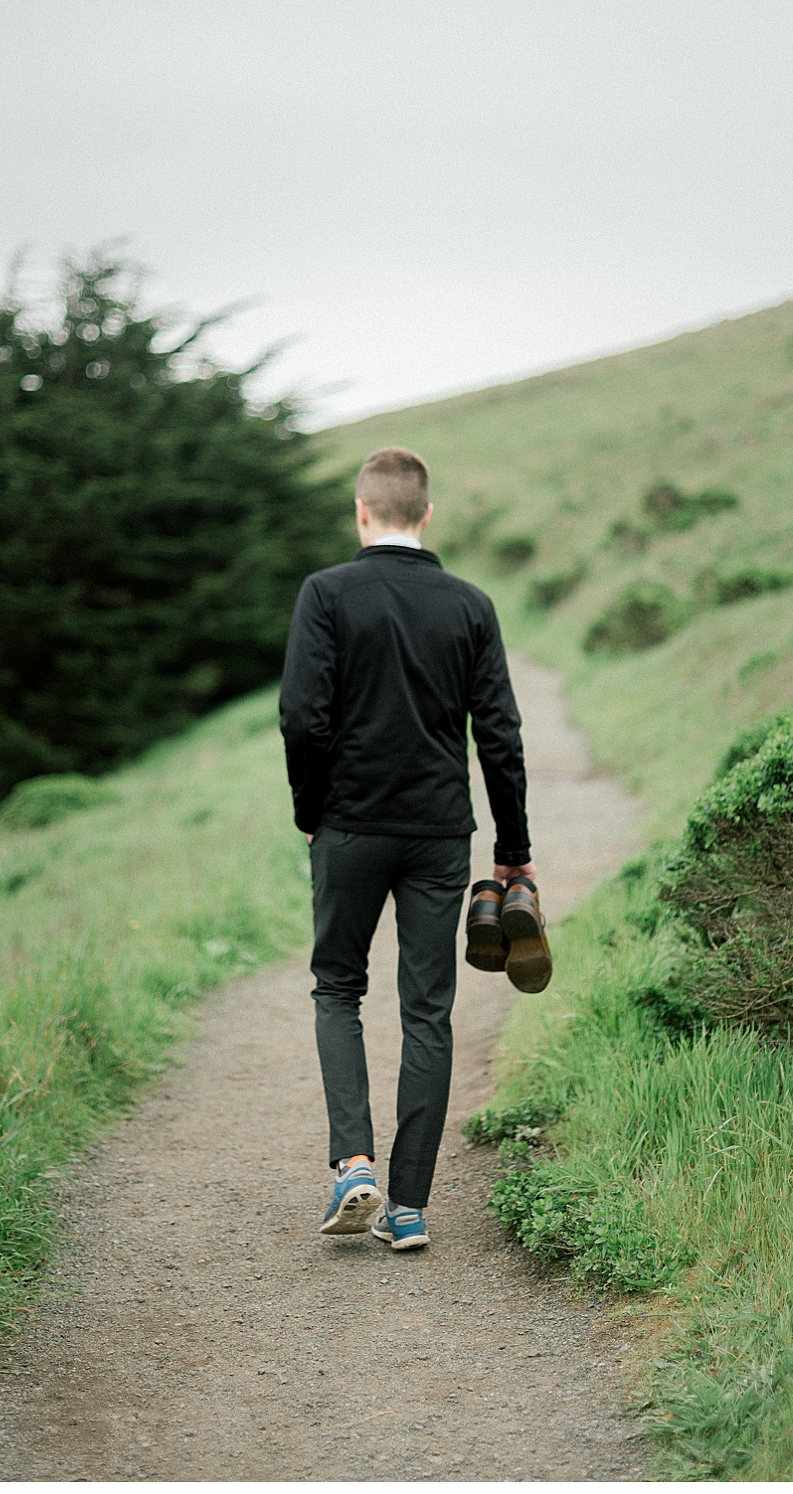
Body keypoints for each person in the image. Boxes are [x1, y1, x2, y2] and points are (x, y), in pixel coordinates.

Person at [279, 445, 541, 1252]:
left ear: (362, 512)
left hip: (349, 826)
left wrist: (311, 812)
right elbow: (499, 734)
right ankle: (411, 1208)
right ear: (427, 515)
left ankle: (354, 1163)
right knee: (428, 1011)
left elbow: (301, 717)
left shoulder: (326, 594)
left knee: (337, 990)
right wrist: (514, 849)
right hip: (437, 834)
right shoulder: (470, 605)